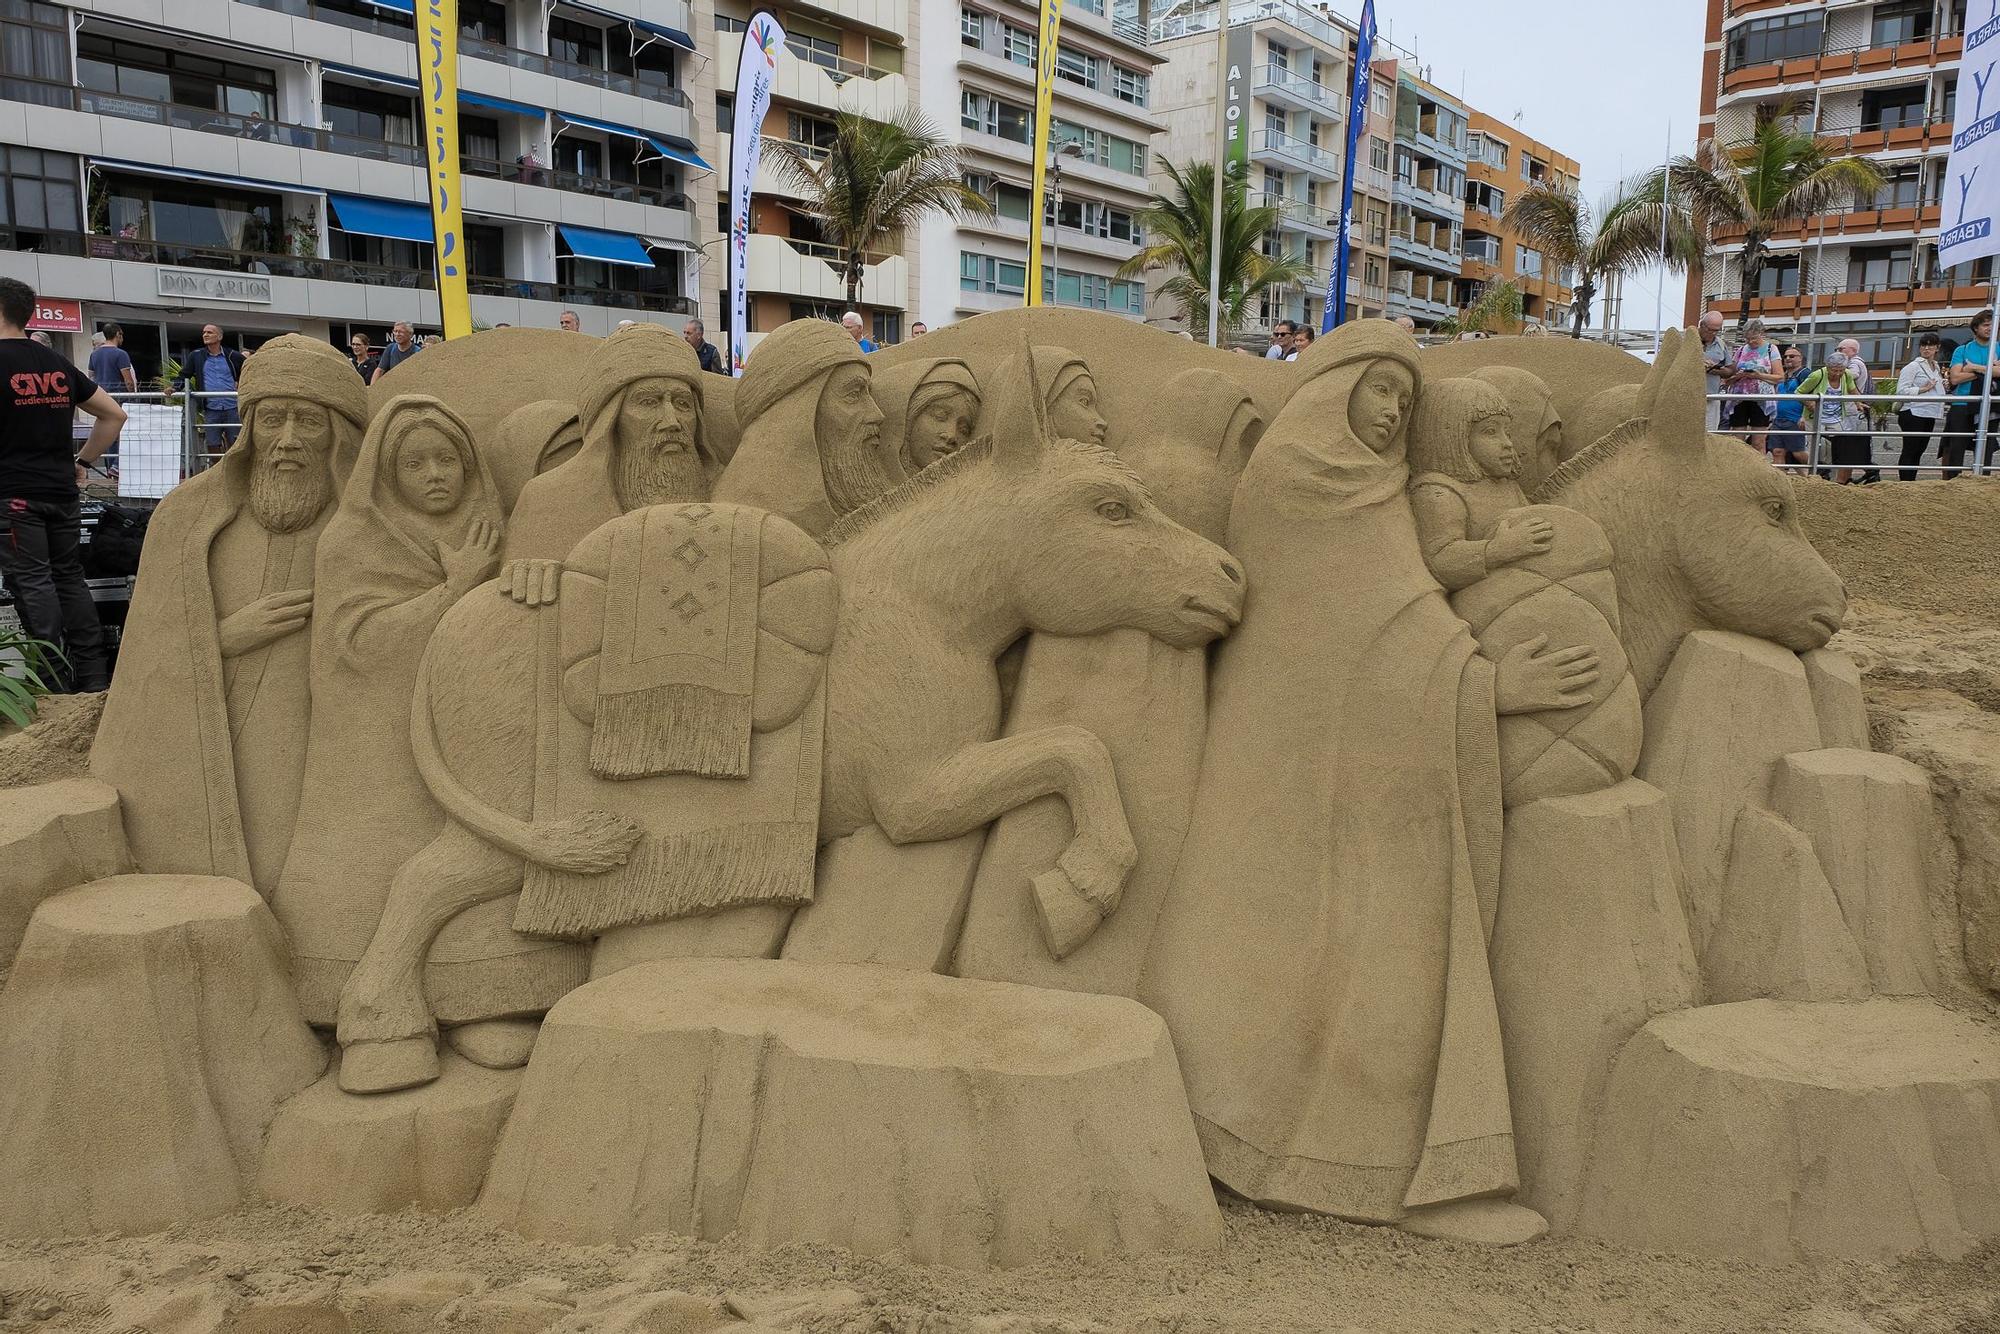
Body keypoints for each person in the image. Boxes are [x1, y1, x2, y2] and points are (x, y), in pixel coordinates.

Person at [1141, 320, 1589, 1246]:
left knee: (1384, 950)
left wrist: (1461, 673)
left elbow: (1396, 624)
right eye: (1378, 389)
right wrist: (1492, 686)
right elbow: (1352, 635)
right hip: (1283, 772)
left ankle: (1378, 1166)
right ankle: (1284, 1151)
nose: (1390, 413)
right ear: (1330, 385)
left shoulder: (1388, 494)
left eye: (1405, 398)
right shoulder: (1295, 485)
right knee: (1293, 958)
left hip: (1380, 764)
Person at [91, 335, 371, 892]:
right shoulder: (187, 517)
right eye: (271, 421)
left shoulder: (369, 526)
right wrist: (221, 639)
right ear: (249, 430)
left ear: (337, 436)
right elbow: (142, 666)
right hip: (210, 744)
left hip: (329, 750)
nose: (287, 440)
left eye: (309, 423)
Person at [0, 277, 125, 693]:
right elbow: (113, 415)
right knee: (69, 578)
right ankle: (92, 680)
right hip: (61, 491)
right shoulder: (54, 363)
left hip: (13, 495)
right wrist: (83, 462)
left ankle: (52, 683)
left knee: (33, 581)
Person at [1799, 350, 1871, 484]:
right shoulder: (1817, 375)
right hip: (1815, 416)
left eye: (1840, 370)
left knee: (1841, 445)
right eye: (1834, 371)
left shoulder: (1847, 375)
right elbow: (1799, 392)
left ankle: (1836, 478)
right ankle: (1815, 477)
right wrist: (1810, 403)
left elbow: (1852, 389)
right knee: (1816, 448)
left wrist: (1858, 402)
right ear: (1827, 367)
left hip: (1836, 416)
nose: (1837, 374)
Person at [1944, 310, 1995, 478]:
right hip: (1962, 404)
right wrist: (1990, 369)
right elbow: (1956, 378)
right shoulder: (1962, 350)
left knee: (1987, 448)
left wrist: (1973, 367)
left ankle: (1982, 482)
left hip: (1989, 405)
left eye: (1993, 324)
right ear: (1975, 328)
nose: (1990, 328)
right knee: (1956, 447)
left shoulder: (1999, 348)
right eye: (1986, 324)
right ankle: (1952, 484)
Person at [181, 322, 245, 454]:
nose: (205, 335)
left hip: (232, 406)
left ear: (219, 337)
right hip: (211, 408)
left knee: (235, 444)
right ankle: (218, 472)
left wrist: (241, 384)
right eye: (204, 332)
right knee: (212, 444)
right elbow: (184, 374)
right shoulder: (196, 356)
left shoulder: (233, 355)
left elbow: (248, 370)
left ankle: (234, 472)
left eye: (209, 332)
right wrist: (173, 387)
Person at [1722, 318, 1782, 452]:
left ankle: (1759, 469)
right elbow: (1728, 377)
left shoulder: (1771, 349)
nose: (1750, 342)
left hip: (1761, 398)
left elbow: (1779, 377)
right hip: (1739, 398)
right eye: (1747, 339)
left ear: (1762, 333)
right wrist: (1737, 376)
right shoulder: (1741, 350)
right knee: (1737, 439)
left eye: (1754, 338)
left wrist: (1758, 375)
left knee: (1758, 441)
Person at [1895, 333, 1948, 481]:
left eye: (1930, 345)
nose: (1926, 349)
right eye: (1923, 345)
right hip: (1913, 412)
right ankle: (1905, 481)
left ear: (1937, 348)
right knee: (1910, 449)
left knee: (1919, 450)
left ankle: (1911, 481)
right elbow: (1901, 391)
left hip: (1929, 413)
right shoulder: (1913, 366)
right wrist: (1922, 389)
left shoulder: (1936, 367)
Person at [1768, 344, 1811, 468]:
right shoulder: (1783, 375)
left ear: (1800, 358)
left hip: (1795, 419)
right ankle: (1780, 480)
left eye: (1792, 356)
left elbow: (1810, 395)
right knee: (1777, 451)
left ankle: (1817, 466)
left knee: (1798, 453)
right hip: (1778, 419)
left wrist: (1803, 416)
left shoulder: (1805, 373)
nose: (1787, 359)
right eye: (1785, 356)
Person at [1698, 310, 1728, 433]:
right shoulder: (1685, 340)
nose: (1713, 333)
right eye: (1711, 330)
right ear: (1702, 325)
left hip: (1711, 397)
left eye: (1717, 330)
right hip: (1688, 397)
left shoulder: (1721, 344)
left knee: (1710, 434)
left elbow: (1730, 370)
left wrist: (1713, 368)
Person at [87, 324, 137, 393]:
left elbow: (91, 377)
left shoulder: (94, 354)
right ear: (117, 334)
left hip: (101, 396)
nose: (122, 338)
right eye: (121, 334)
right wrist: (133, 396)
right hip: (119, 396)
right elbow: (128, 381)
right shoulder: (121, 354)